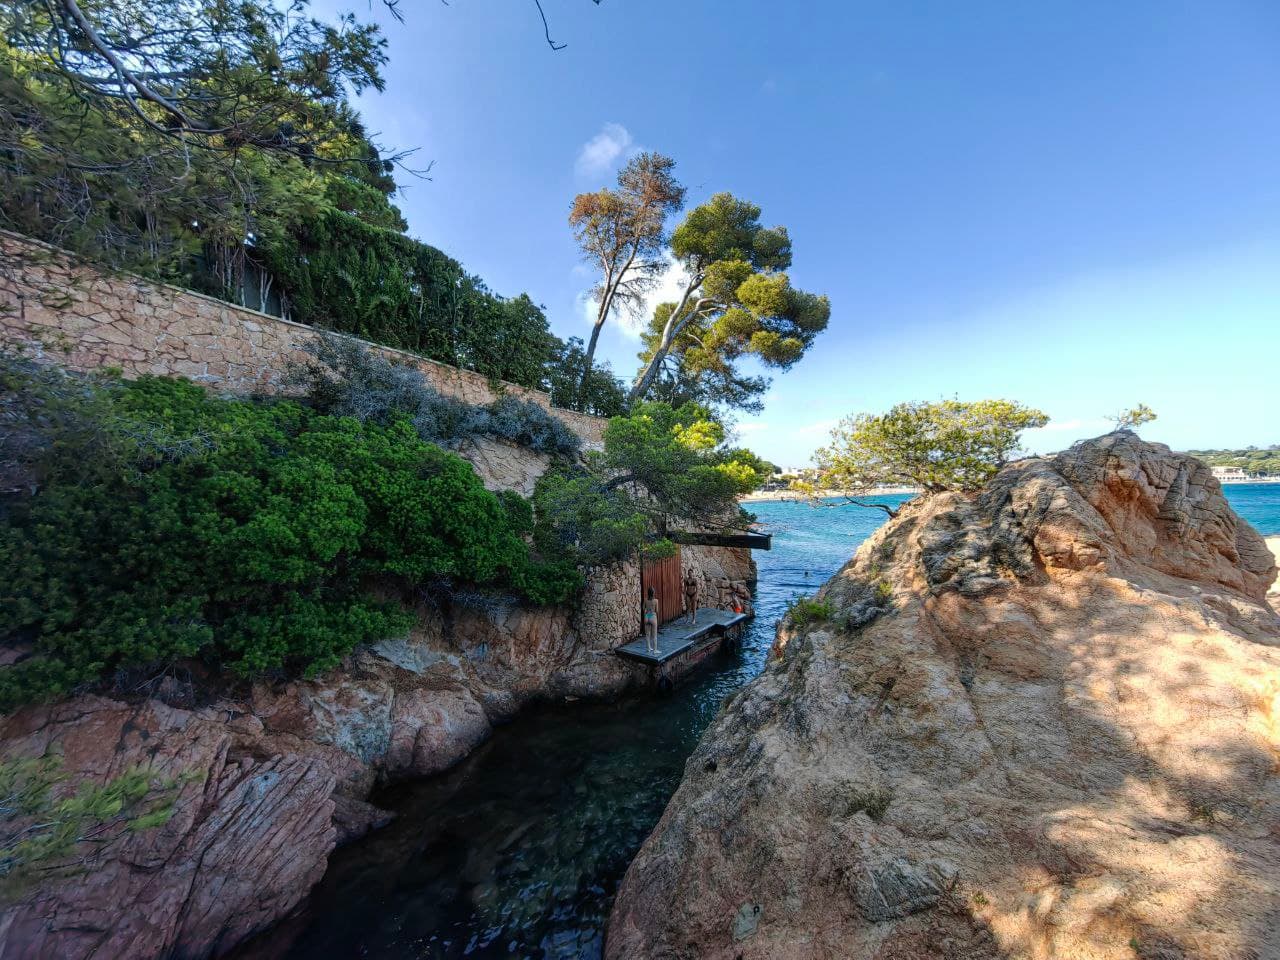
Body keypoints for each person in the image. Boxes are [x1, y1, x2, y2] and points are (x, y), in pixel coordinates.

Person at [643, 586, 660, 654]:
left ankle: (648, 648)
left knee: (647, 634)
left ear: (648, 593)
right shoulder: (656, 600)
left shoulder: (645, 600)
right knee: (654, 635)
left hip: (647, 616)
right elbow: (657, 610)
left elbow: (643, 608)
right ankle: (655, 650)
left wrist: (646, 612)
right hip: (653, 616)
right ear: (653, 593)